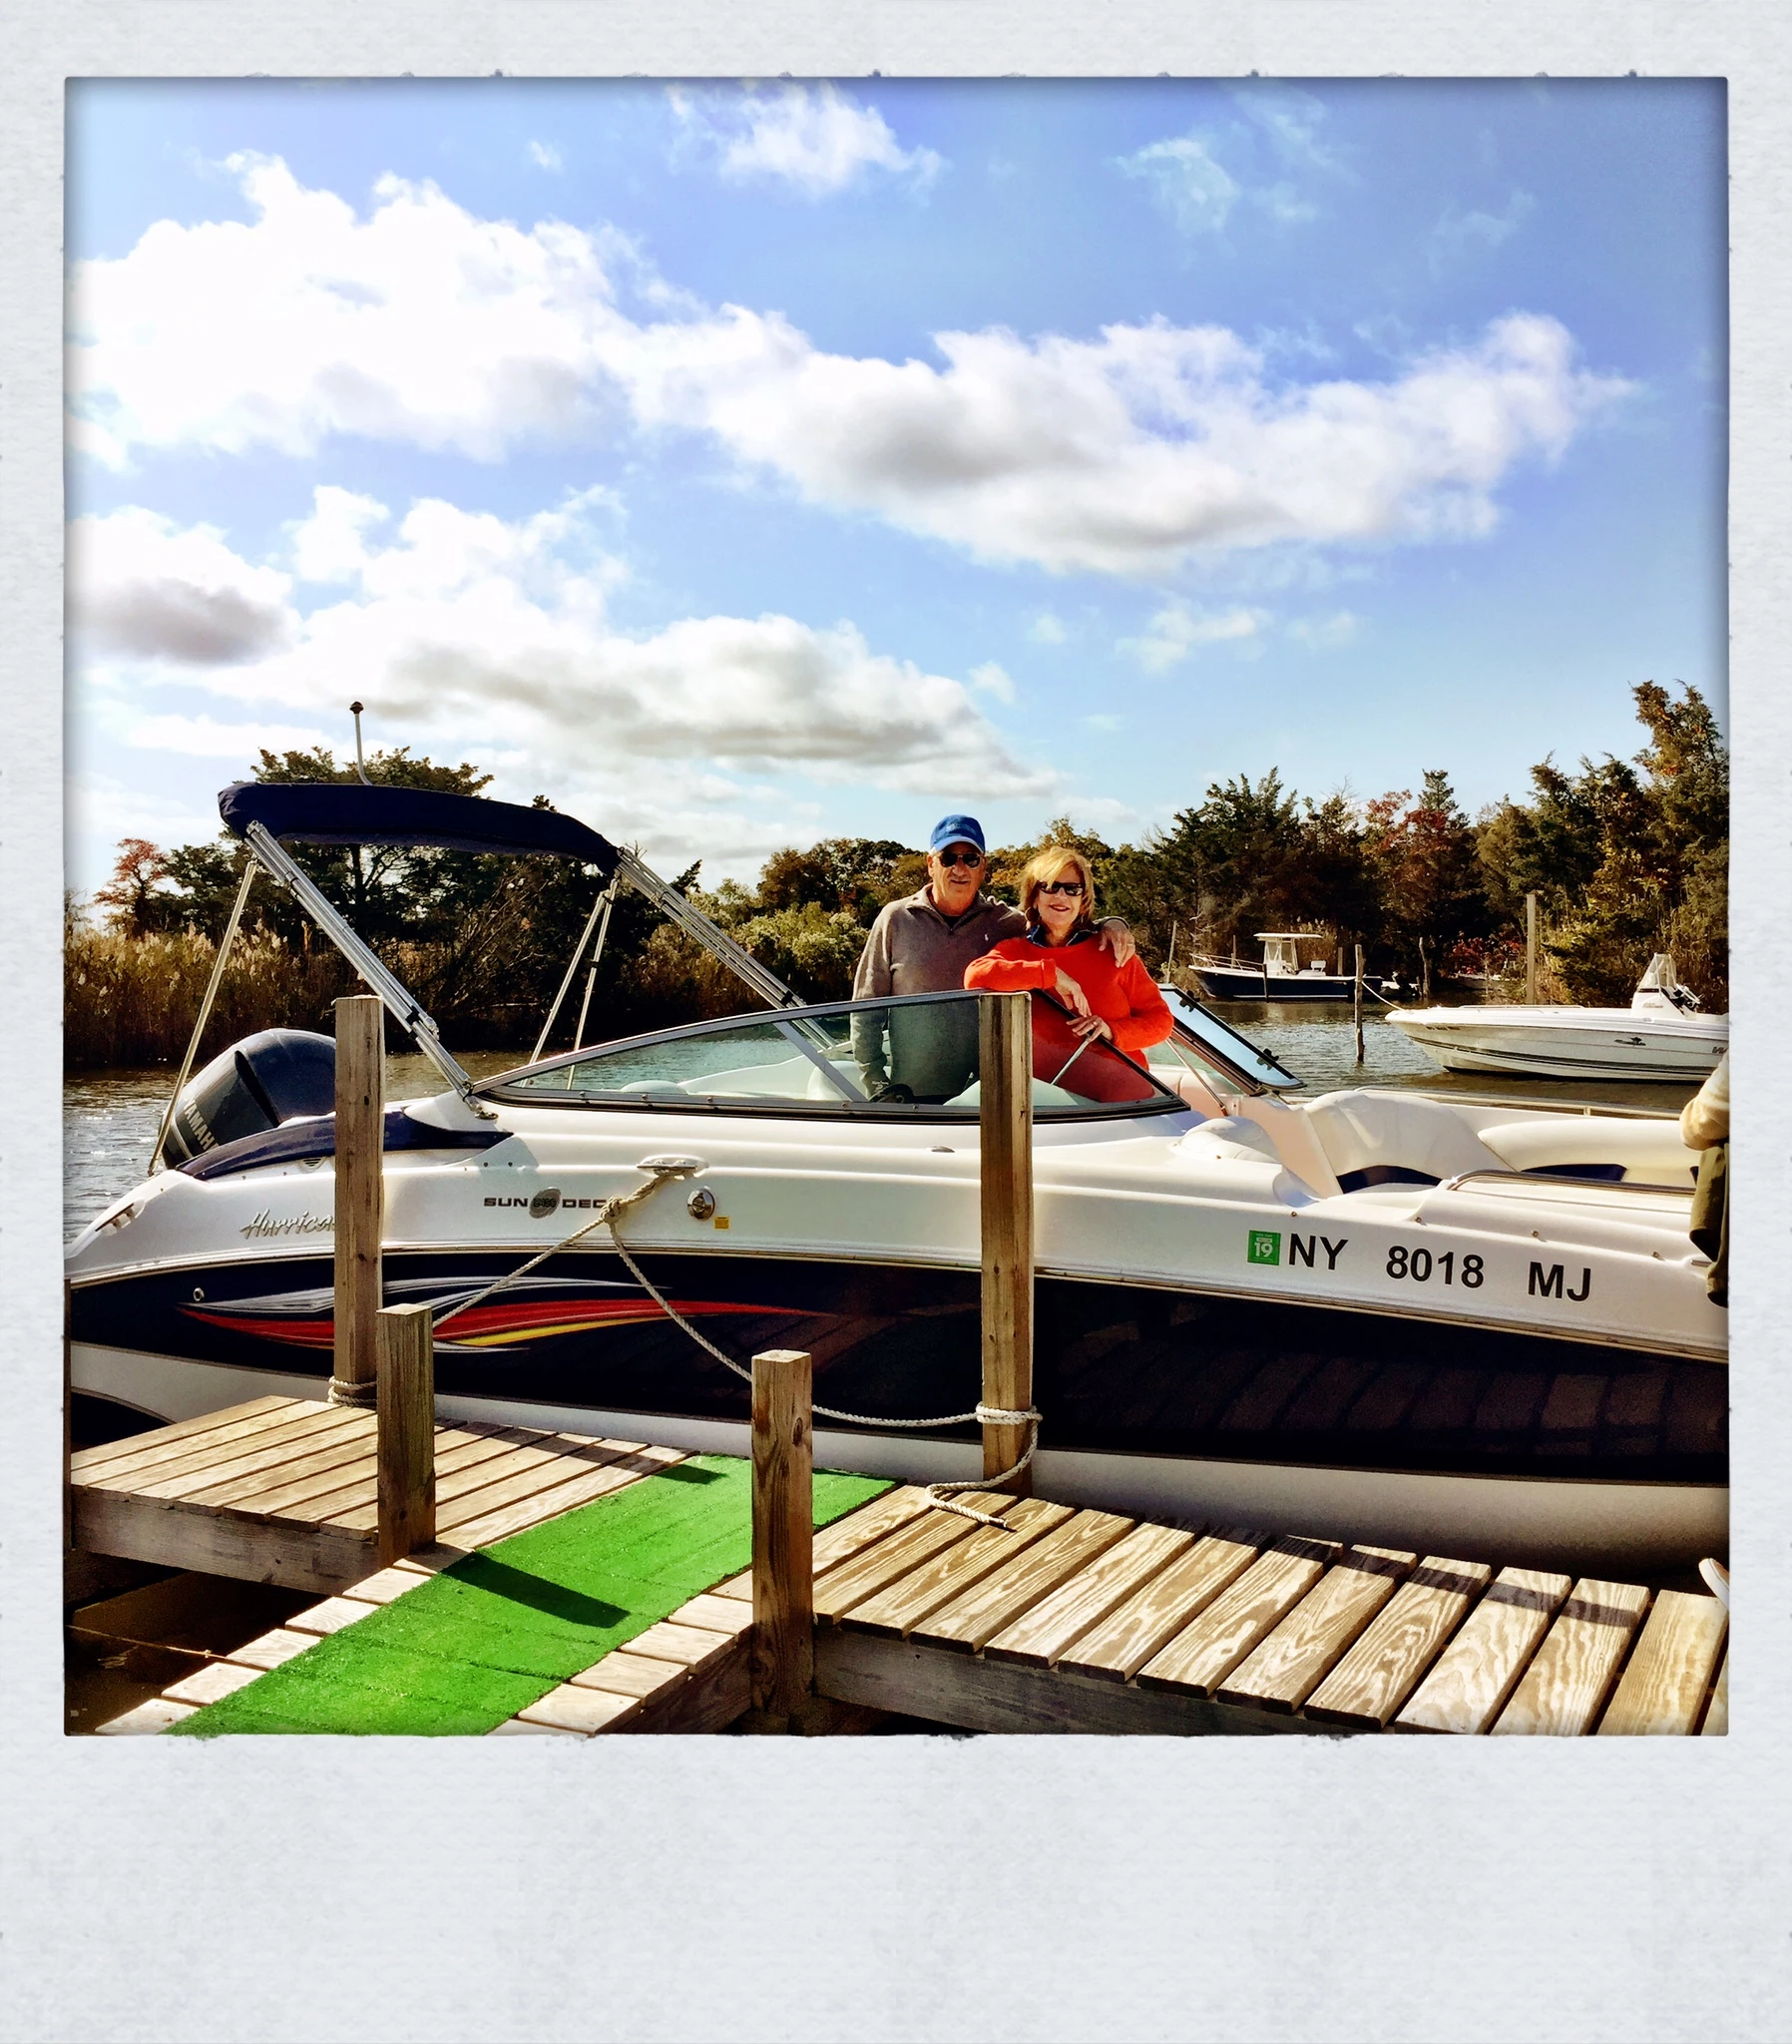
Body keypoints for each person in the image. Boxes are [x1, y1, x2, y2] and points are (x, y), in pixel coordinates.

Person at [849, 814, 1134, 1101]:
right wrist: (876, 1083)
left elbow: (1061, 921)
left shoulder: (1007, 923)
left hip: (990, 1097)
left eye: (970, 858)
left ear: (982, 866)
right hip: (913, 1097)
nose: (959, 868)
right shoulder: (894, 919)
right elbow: (866, 1008)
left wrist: (1111, 924)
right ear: (931, 864)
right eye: (949, 858)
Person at [963, 845, 1172, 1096]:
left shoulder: (1113, 951)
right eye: (1050, 886)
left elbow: (1161, 1022)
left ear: (1082, 900)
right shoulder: (1017, 951)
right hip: (1045, 1106)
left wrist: (1112, 1030)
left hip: (1122, 1104)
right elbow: (975, 977)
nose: (1061, 896)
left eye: (1072, 889)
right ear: (1035, 897)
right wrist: (1051, 976)